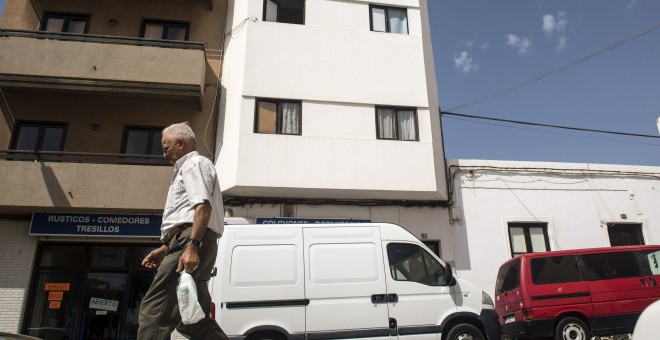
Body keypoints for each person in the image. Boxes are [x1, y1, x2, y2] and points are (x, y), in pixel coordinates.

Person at [137, 122, 228, 340]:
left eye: (166, 147)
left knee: (154, 312)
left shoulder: (193, 164)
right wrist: (165, 247)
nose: (164, 153)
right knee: (193, 321)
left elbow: (202, 207)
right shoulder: (192, 166)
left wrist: (191, 246)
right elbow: (187, 214)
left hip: (192, 239)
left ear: (180, 143)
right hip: (189, 239)